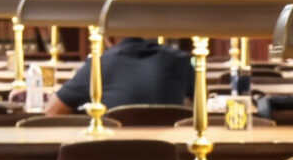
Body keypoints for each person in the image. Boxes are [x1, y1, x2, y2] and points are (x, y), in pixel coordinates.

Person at [45, 37, 195, 116]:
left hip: (109, 156)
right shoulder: (180, 59)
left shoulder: (100, 64)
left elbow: (52, 111)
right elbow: (200, 104)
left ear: (108, 37)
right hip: (168, 158)